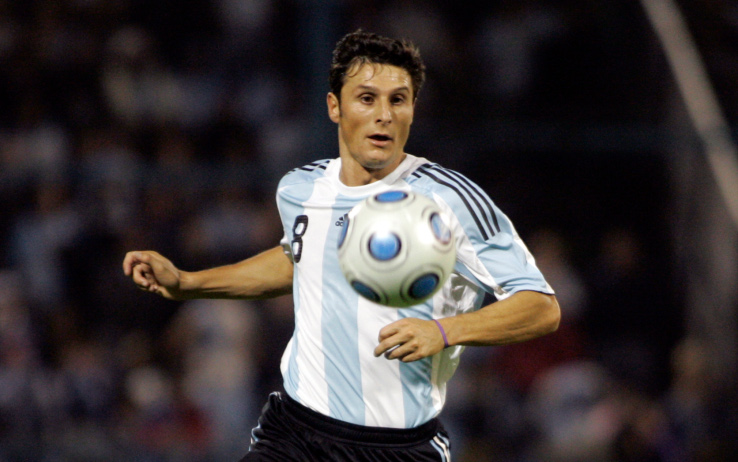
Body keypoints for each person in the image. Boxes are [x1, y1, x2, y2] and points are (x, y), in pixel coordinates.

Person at [123, 29, 560, 462]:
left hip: (397, 448)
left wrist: (444, 332)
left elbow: (541, 306)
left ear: (412, 110)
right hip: (293, 434)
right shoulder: (300, 188)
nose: (384, 115)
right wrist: (187, 282)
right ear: (334, 106)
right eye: (367, 98)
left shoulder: (450, 199)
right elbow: (299, 259)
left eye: (398, 100)